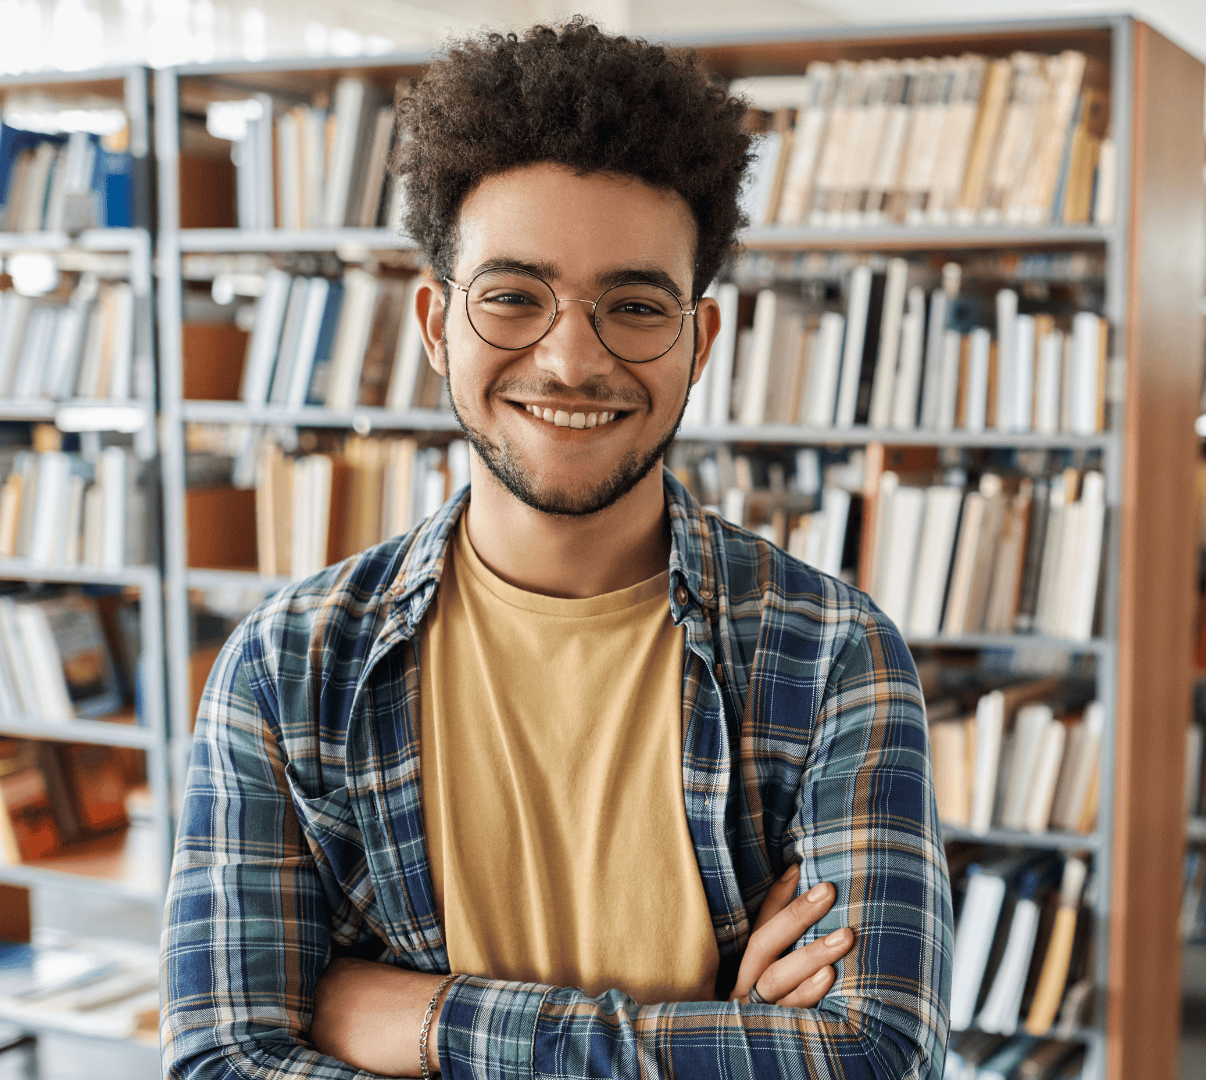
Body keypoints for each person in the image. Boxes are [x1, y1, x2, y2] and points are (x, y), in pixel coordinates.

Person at [161, 22, 950, 1080]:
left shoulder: (831, 655)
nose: (572, 359)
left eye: (635, 306)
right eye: (513, 297)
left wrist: (426, 1021)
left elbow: (878, 1058)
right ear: (436, 325)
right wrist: (715, 1038)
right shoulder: (287, 668)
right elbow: (220, 1064)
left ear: (699, 344)